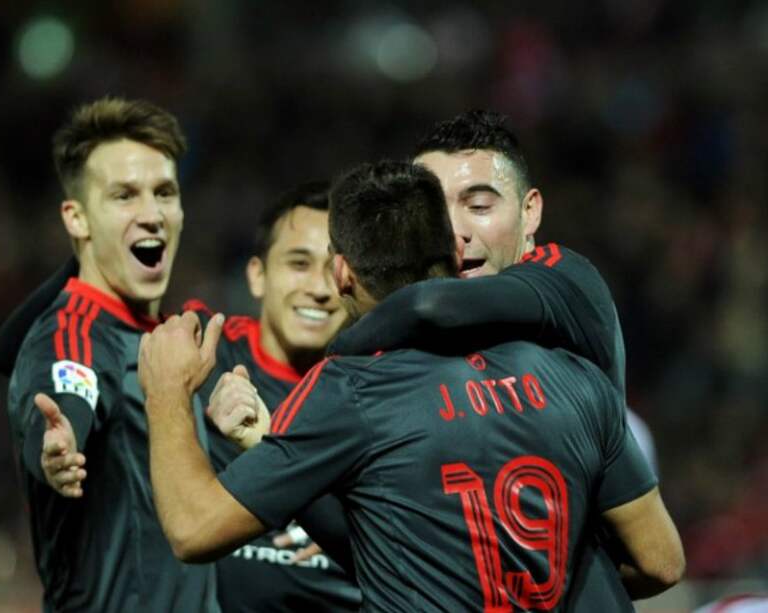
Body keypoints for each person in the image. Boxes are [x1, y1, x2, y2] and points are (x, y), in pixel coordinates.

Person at [137, 160, 685, 611]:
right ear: (452, 253)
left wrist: (165, 391)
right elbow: (662, 561)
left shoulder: (350, 390)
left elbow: (193, 529)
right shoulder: (572, 373)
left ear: (342, 273)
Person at [327, 110, 660, 606]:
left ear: (530, 212)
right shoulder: (407, 348)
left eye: (479, 204)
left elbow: (429, 305)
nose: (454, 232)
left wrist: (338, 352)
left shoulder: (568, 282)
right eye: (433, 211)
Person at [3, 97, 219, 612]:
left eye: (164, 192)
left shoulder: (165, 336)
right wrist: (57, 445)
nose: (151, 213)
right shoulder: (72, 329)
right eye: (124, 196)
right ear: (76, 218)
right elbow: (65, 392)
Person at [183, 182, 361, 611]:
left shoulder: (376, 384)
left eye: (334, 268)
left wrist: (344, 530)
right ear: (258, 275)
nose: (319, 288)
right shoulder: (204, 351)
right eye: (299, 263)